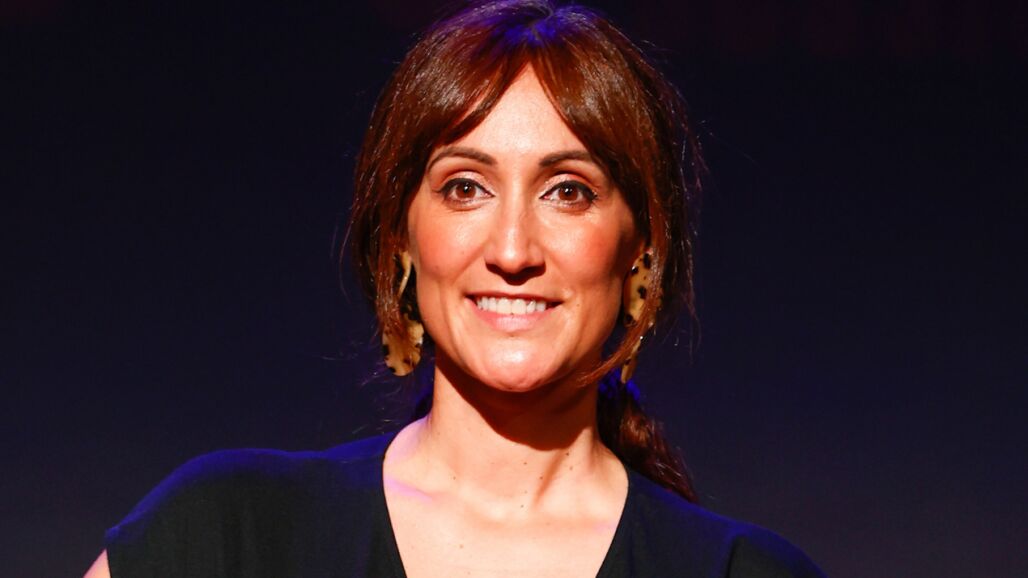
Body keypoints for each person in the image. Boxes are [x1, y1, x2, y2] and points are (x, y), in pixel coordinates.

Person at [86, 1, 825, 576]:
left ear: (641, 246)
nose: (512, 250)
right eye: (465, 187)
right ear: (401, 238)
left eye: (567, 191)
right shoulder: (227, 538)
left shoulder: (743, 572)